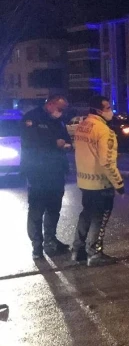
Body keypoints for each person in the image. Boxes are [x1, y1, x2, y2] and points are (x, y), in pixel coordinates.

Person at [72, 95, 125, 266]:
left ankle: (78, 250)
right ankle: (94, 253)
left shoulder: (82, 126)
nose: (111, 111)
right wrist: (119, 184)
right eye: (108, 108)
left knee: (86, 214)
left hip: (84, 181)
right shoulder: (104, 131)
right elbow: (107, 162)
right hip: (100, 183)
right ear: (98, 111)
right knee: (99, 219)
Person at [20, 95, 73, 259]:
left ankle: (50, 241)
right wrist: (54, 143)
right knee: (36, 211)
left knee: (54, 209)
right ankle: (37, 246)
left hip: (56, 171)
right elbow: (29, 142)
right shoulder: (32, 118)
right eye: (60, 108)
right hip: (38, 172)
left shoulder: (59, 121)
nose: (61, 112)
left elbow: (66, 139)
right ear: (50, 104)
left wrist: (67, 145)